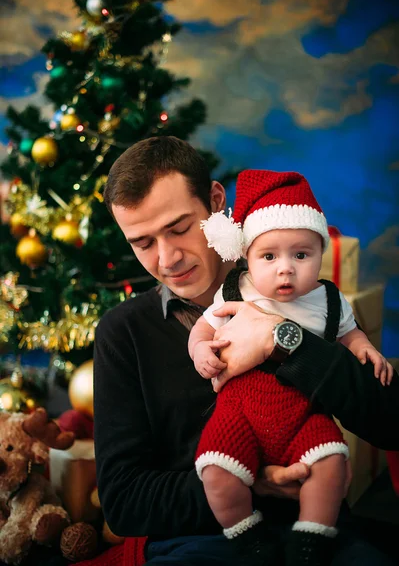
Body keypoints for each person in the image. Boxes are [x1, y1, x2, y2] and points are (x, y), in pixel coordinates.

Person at [94, 136, 399, 566]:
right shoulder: (122, 332)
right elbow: (125, 502)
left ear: (216, 202)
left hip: (317, 529)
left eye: (180, 228)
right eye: (142, 242)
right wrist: (248, 482)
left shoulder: (298, 288)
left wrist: (285, 339)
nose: (167, 259)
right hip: (195, 542)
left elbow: (391, 421)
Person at [188, 169, 393, 566]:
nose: (286, 268)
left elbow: (350, 333)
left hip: (304, 410)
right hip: (240, 411)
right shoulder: (236, 290)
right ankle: (245, 531)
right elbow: (203, 328)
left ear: (320, 254)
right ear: (247, 256)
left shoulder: (329, 301)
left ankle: (312, 535)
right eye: (269, 256)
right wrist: (200, 351)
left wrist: (365, 347)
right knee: (215, 469)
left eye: (301, 255)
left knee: (332, 462)